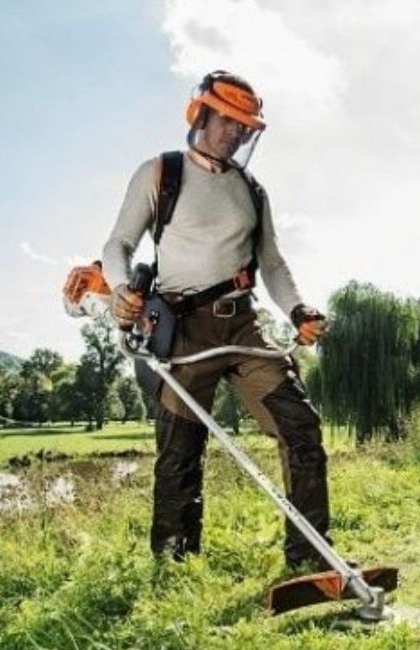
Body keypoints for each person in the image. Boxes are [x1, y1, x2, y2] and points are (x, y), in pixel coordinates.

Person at [101, 70, 332, 571]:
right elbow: (118, 245)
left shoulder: (252, 191)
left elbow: (272, 262)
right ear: (201, 113)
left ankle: (311, 561)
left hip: (242, 328)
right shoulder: (161, 173)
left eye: (244, 126)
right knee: (180, 455)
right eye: (228, 120)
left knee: (301, 429)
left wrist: (298, 309)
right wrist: (120, 289)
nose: (236, 132)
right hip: (182, 331)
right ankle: (175, 568)